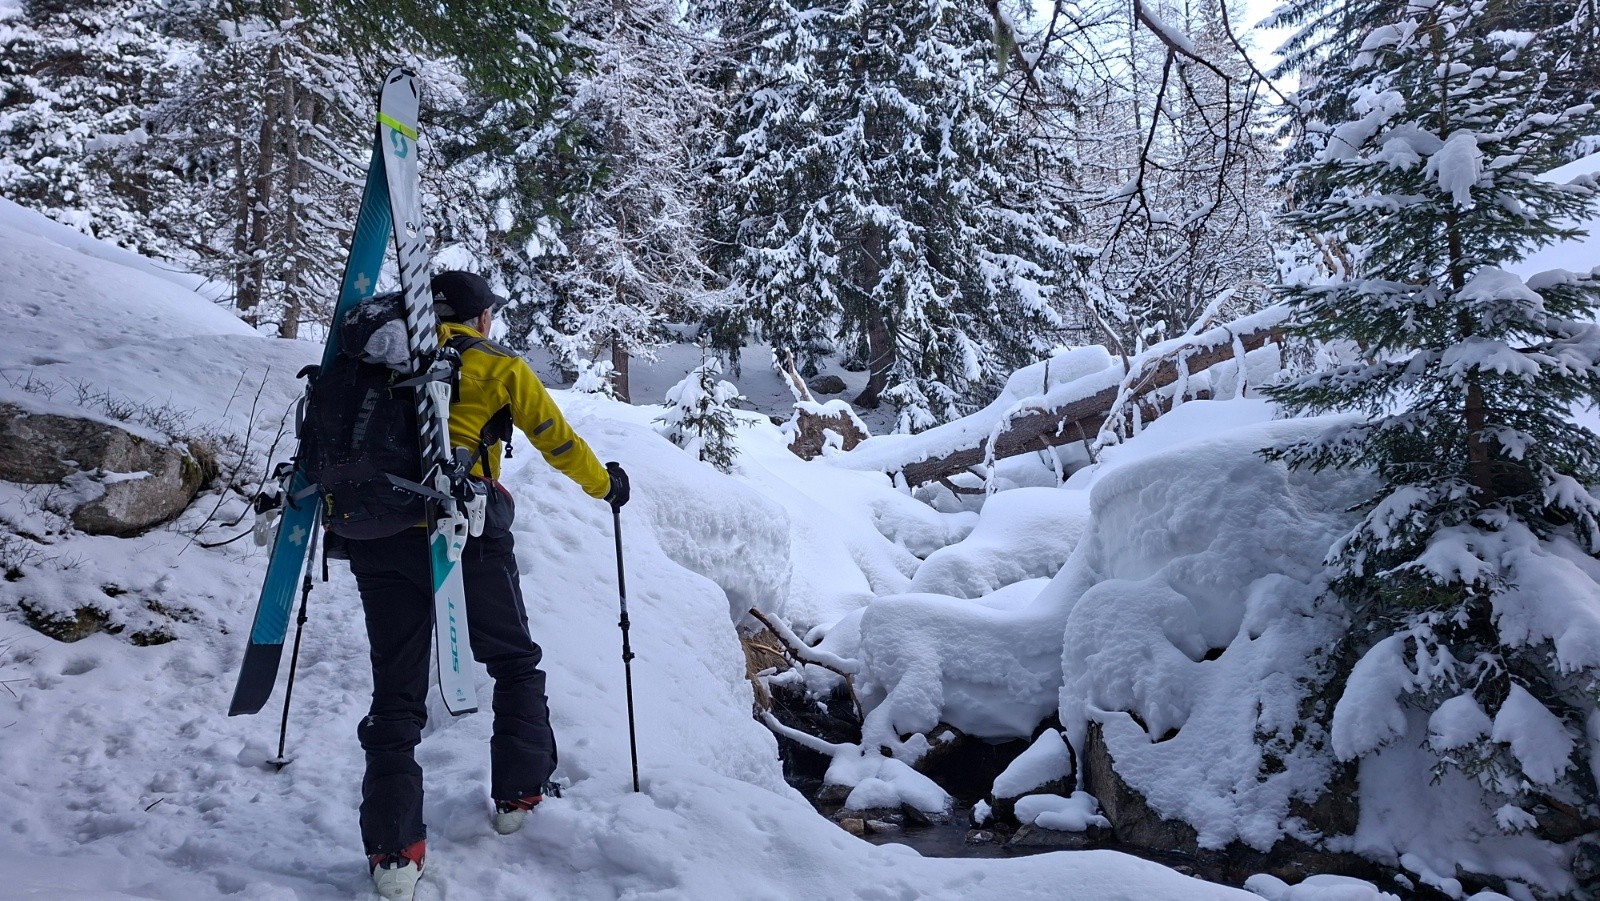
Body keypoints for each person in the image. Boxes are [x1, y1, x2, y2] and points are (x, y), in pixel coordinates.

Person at [346, 270, 630, 900]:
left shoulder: (371, 356)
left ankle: (394, 853)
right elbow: (557, 440)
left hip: (378, 534)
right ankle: (520, 793)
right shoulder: (496, 364)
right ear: (479, 317)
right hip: (466, 532)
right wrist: (606, 485)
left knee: (395, 691)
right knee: (512, 660)